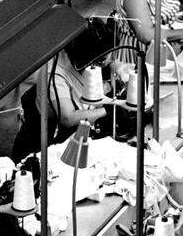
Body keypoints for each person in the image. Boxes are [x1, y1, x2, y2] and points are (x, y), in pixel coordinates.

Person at [11, 21, 117, 161]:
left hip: (77, 131)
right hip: (46, 140)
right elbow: (68, 118)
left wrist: (117, 68)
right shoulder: (55, 72)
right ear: (88, 57)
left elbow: (108, 61)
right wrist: (110, 110)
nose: (109, 61)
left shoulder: (88, 55)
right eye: (103, 60)